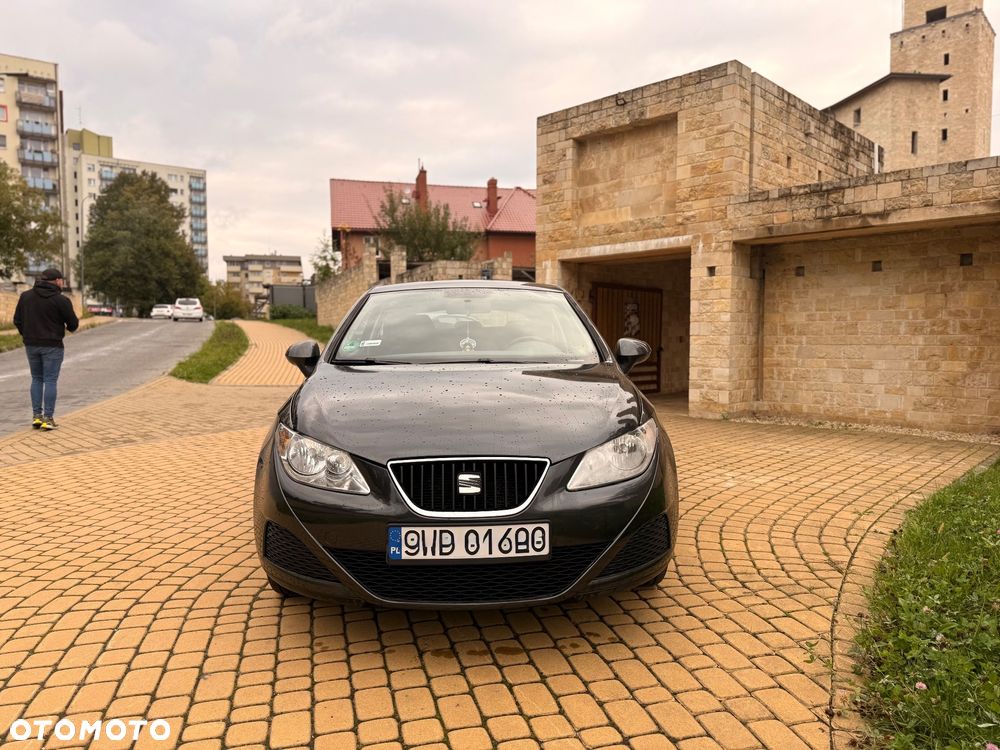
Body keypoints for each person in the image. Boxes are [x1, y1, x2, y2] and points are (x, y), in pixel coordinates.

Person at [12, 268, 79, 430]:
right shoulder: (61, 300)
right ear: (57, 281)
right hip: (52, 345)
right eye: (61, 280)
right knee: (50, 380)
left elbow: (17, 320)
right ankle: (48, 418)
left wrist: (27, 335)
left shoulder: (25, 297)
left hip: (31, 345)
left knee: (36, 378)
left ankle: (37, 416)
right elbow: (73, 325)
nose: (62, 283)